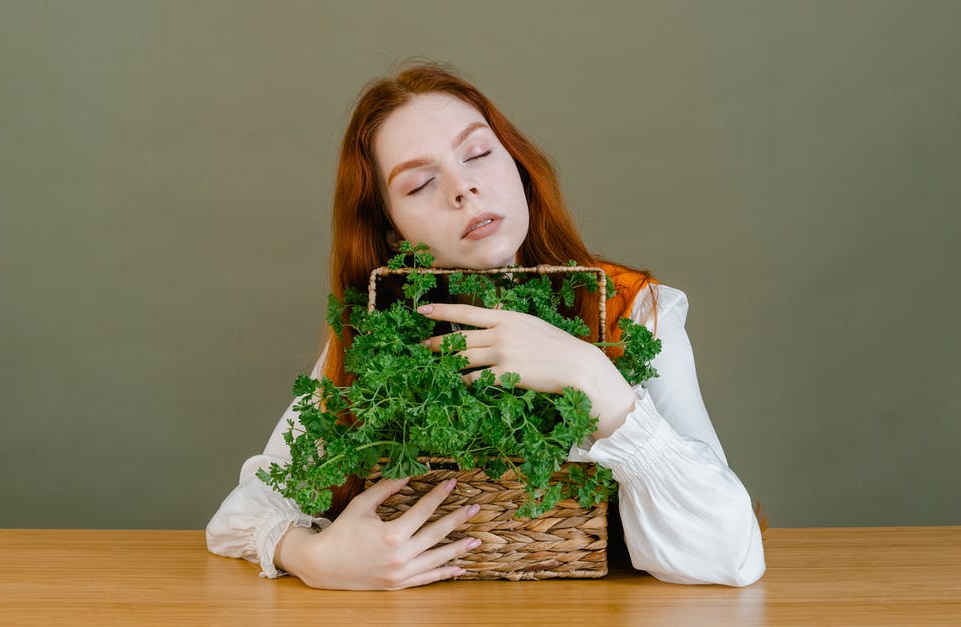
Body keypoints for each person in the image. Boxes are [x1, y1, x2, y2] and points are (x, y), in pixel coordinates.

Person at [206, 62, 766, 590]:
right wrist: (310, 557)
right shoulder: (378, 332)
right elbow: (248, 508)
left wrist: (591, 374)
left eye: (477, 154)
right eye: (420, 184)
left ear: (517, 166)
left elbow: (731, 554)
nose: (462, 189)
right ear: (395, 232)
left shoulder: (633, 309)